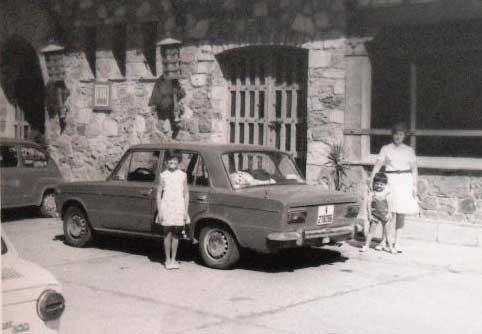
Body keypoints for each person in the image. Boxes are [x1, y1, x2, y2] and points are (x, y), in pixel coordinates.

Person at [370, 122, 419, 253]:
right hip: (390, 181)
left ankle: (397, 242)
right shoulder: (386, 148)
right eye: (396, 134)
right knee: (387, 211)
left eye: (401, 134)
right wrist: (372, 179)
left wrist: (415, 185)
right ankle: (384, 241)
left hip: (405, 181)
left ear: (404, 136)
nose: (398, 136)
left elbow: (414, 169)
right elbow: (378, 164)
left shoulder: (409, 150)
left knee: (401, 212)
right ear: (393, 135)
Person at [157, 150, 190, 269]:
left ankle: (173, 259)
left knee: (176, 234)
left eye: (175, 160)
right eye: (170, 160)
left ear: (178, 161)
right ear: (166, 162)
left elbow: (186, 193)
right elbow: (159, 193)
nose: (172, 162)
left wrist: (185, 211)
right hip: (166, 206)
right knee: (167, 233)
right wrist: (160, 211)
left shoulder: (183, 175)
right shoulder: (163, 175)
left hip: (178, 206)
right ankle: (167, 260)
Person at [360, 173, 394, 253]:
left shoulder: (386, 193)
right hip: (375, 215)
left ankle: (391, 247)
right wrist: (369, 214)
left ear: (385, 185)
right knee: (371, 231)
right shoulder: (372, 193)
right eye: (377, 184)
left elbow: (390, 204)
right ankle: (366, 245)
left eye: (381, 184)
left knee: (387, 232)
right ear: (374, 184)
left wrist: (389, 213)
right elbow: (368, 204)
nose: (379, 186)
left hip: (384, 214)